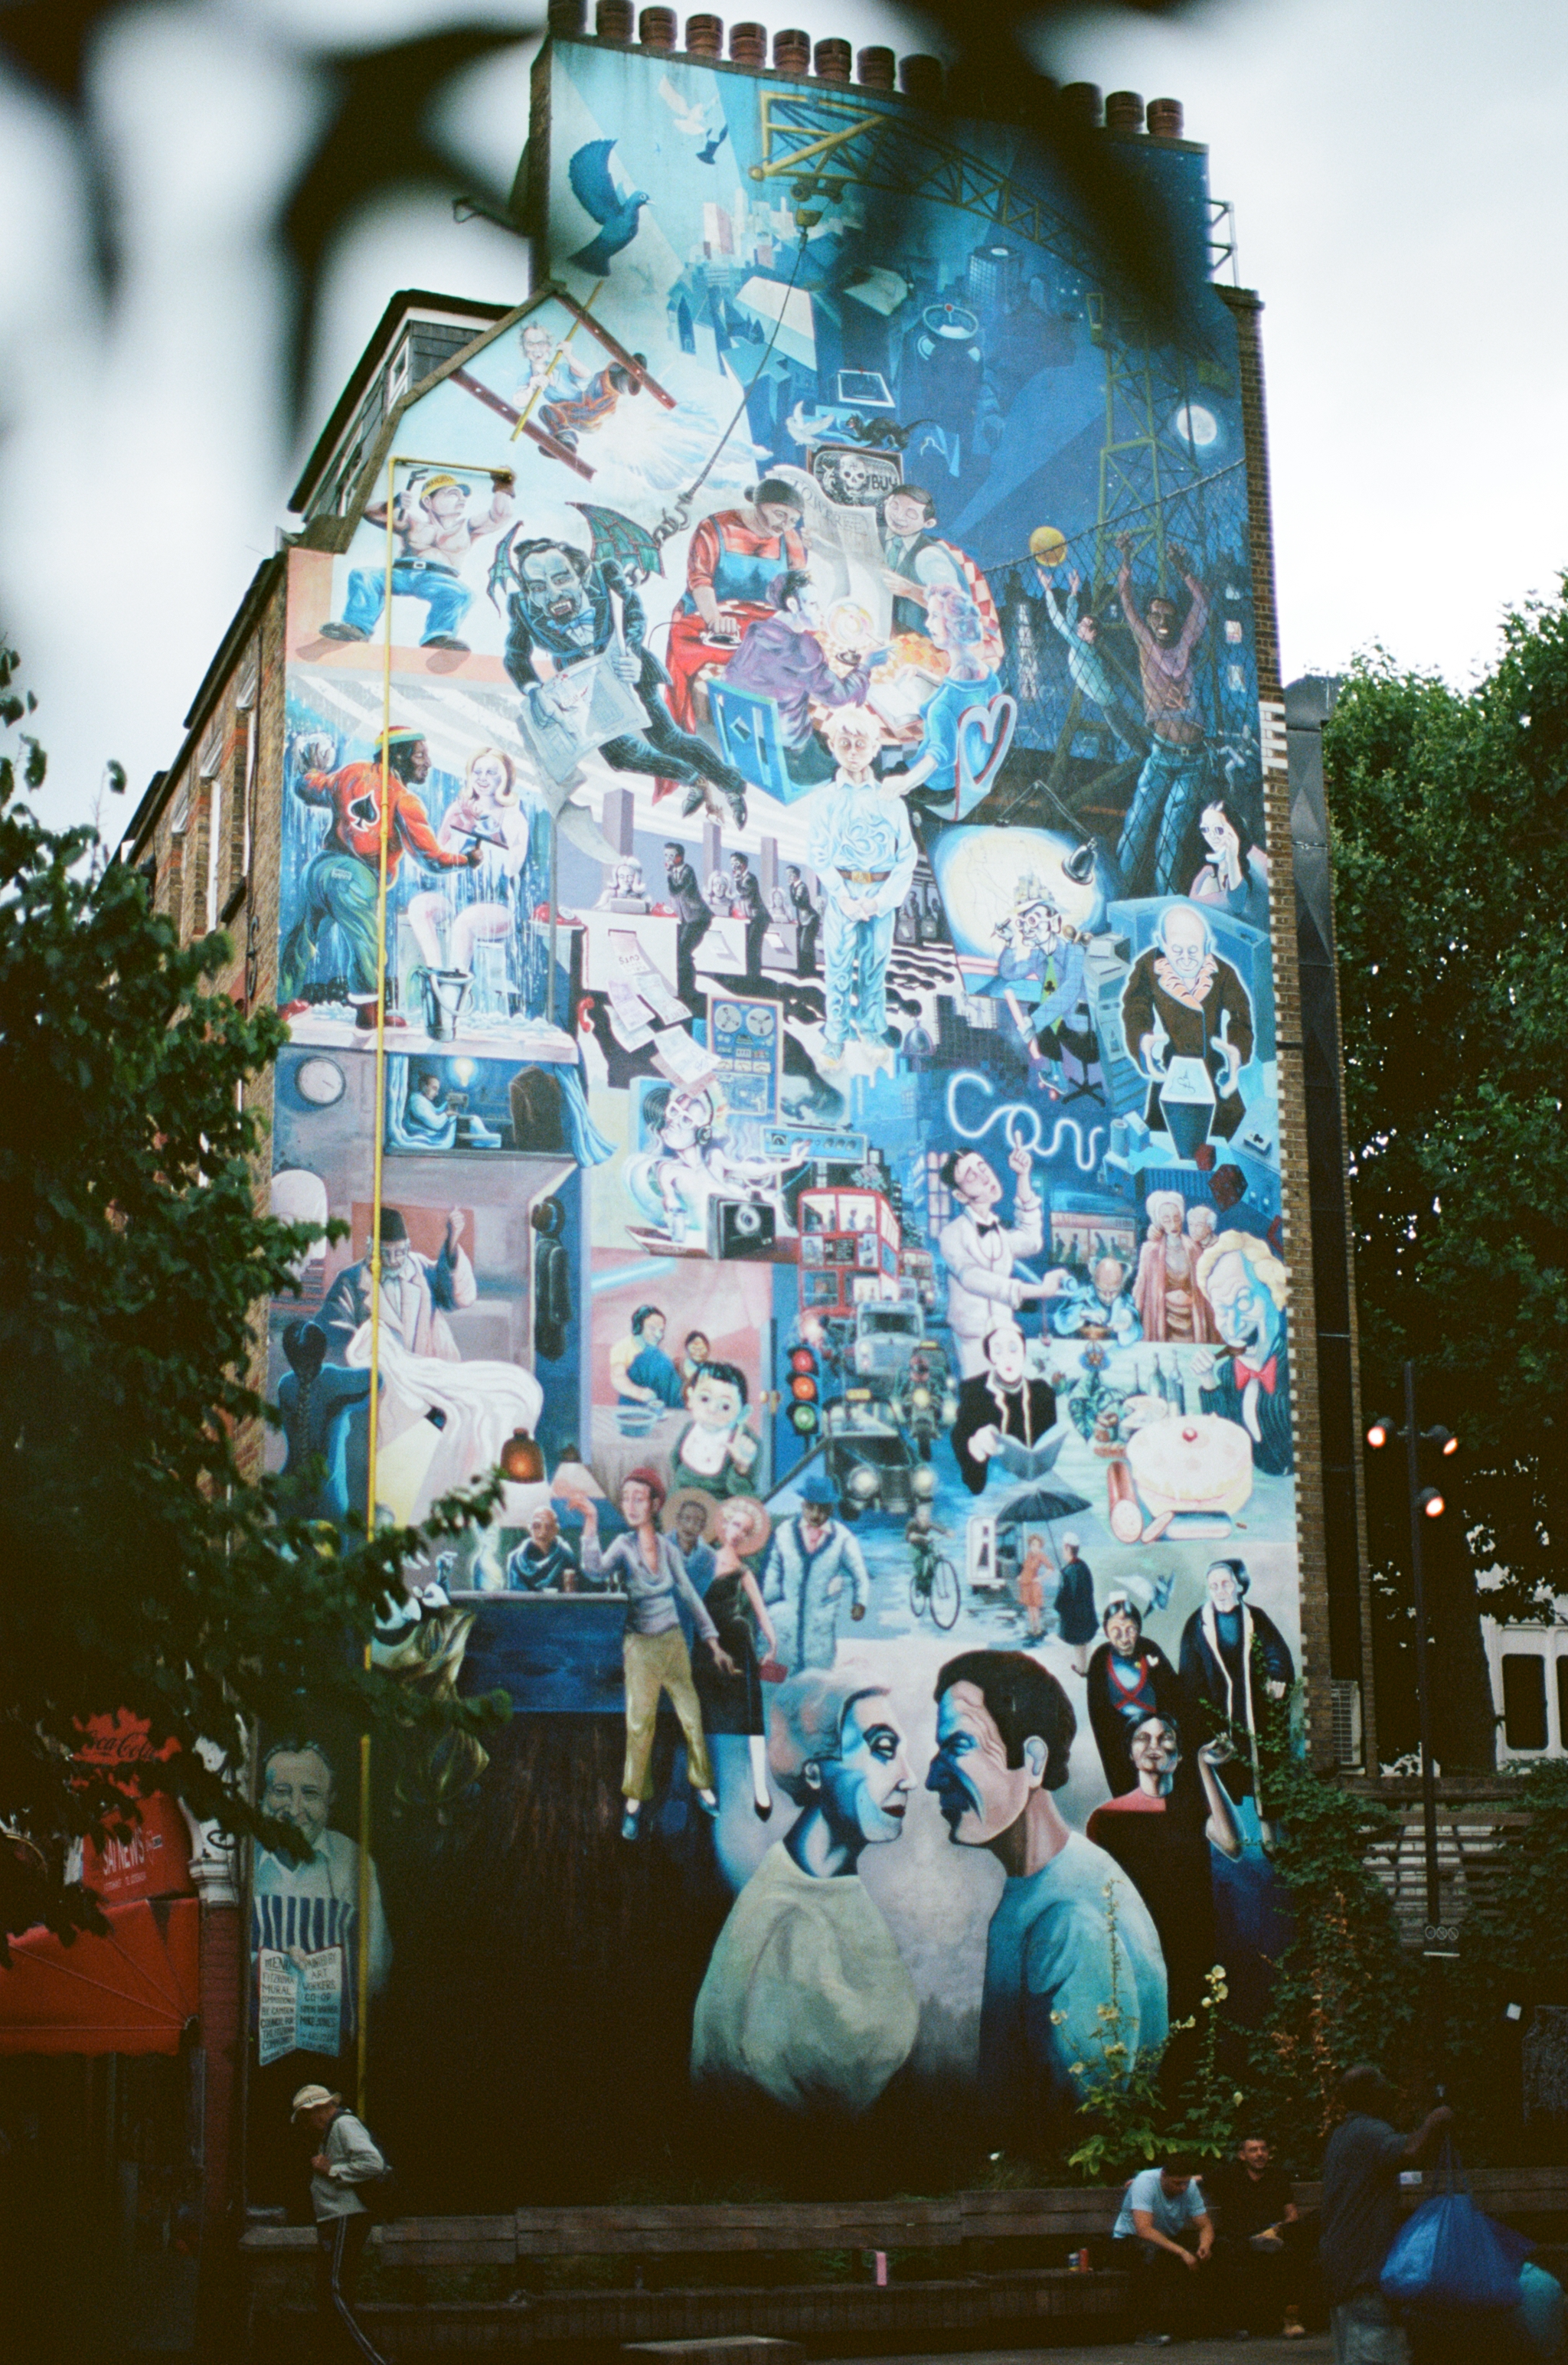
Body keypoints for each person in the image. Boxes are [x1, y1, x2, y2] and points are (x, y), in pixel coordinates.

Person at [926, 1650, 1168, 2138]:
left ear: (1032, 1761)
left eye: (957, 1746)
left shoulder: (1069, 1923)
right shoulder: (1041, 1887)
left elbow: (1087, 2125)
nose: (933, 1777)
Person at [691, 1669, 919, 2115]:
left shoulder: (836, 1890)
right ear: (814, 1772)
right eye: (883, 1751)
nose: (907, 1778)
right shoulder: (783, 1925)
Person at [495, 534, 749, 826]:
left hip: (630, 668)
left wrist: (632, 652)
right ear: (528, 591)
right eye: (538, 587)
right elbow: (515, 656)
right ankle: (694, 778)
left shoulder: (605, 574)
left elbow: (634, 612)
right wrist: (533, 689)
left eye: (562, 579)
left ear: (581, 575)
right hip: (584, 688)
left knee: (668, 739)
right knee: (620, 755)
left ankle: (731, 785)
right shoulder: (521, 606)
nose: (553, 594)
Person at [580, 1468, 737, 1839]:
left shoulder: (667, 1549)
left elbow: (689, 1594)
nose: (631, 1505)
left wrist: (712, 1640)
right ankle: (633, 1804)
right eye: (626, 1498)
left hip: (673, 1642)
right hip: (640, 1646)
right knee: (640, 1724)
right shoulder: (622, 1544)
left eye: (639, 1498)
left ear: (655, 1505)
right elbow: (593, 1570)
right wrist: (590, 1522)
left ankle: (703, 1787)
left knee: (691, 1716)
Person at [279, 728, 484, 1011]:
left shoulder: (350, 772)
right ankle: (368, 1014)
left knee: (300, 939)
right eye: (420, 755)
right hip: (353, 879)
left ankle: (281, 1003)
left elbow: (310, 789)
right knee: (367, 946)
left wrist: (309, 770)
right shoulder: (404, 800)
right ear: (398, 756)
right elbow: (431, 858)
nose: (429, 763)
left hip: (318, 869)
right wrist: (467, 860)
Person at [1086, 1709, 1243, 2020]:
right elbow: (1096, 1897)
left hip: (1192, 1948)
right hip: (1137, 1950)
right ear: (1130, 1753)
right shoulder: (1107, 1818)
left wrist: (1206, 1767)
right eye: (1142, 1738)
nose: (1153, 1745)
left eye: (1165, 1738)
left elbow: (1233, 1845)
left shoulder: (1193, 1808)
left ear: (1179, 1755)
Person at [253, 1743, 391, 2061]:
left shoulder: (353, 1862)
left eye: (310, 1794)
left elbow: (377, 1970)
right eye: (281, 1791)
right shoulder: (243, 1859)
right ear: (260, 1797)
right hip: (252, 2053)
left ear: (330, 1802)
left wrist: (320, 1982)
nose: (294, 1808)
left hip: (333, 2057)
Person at [805, 707, 917, 1067]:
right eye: (844, 743)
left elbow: (907, 857)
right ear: (833, 747)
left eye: (860, 744)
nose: (852, 751)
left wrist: (881, 902)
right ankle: (835, 1036)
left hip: (880, 897)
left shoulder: (891, 801)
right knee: (837, 966)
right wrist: (840, 895)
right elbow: (818, 853)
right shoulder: (825, 800)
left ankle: (870, 1031)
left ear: (874, 749)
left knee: (874, 967)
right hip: (842, 895)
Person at [1319, 2066, 1454, 2365]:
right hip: (1362, 2271)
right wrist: (1437, 2118)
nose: (1390, 2094)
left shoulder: (1342, 2135)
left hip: (1342, 2268)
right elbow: (1410, 2150)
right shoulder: (1370, 2132)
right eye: (1385, 2088)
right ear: (1373, 2095)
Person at [666, 479, 810, 729]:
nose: (784, 525)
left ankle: (779, 729)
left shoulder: (790, 538)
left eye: (792, 520)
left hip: (762, 621)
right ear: (758, 504)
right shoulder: (714, 527)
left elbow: (799, 585)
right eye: (779, 514)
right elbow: (700, 582)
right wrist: (715, 620)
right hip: (706, 614)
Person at [319, 467, 514, 652]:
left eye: (463, 495)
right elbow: (371, 513)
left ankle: (438, 638)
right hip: (402, 573)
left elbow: (499, 516)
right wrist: (393, 504)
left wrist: (502, 488)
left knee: (461, 593)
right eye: (453, 493)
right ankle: (357, 628)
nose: (462, 499)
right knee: (364, 575)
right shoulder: (412, 523)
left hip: (437, 579)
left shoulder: (467, 527)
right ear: (429, 502)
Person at [1115, 535, 1212, 895]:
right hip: (1161, 753)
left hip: (1193, 759)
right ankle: (1117, 895)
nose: (1161, 618)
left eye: (1167, 612)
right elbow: (1126, 602)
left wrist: (1184, 570)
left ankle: (1167, 905)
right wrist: (1126, 557)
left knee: (1171, 834)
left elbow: (1202, 602)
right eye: (1154, 613)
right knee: (1138, 823)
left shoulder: (1185, 642)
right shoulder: (1145, 641)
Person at [722, 568, 874, 789]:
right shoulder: (804, 648)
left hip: (744, 744)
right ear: (793, 605)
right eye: (813, 605)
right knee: (866, 757)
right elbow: (841, 698)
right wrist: (866, 666)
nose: (821, 613)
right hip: (792, 762)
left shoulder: (755, 632)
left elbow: (730, 678)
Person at [1119, 902, 1254, 1147]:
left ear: (1206, 946)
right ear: (1162, 943)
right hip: (1172, 1072)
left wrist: (1236, 1051)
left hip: (1214, 1072)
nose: (1185, 959)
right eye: (1177, 950)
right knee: (1166, 1143)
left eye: (1193, 951)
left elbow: (1240, 1016)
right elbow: (1135, 1009)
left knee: (1230, 1144)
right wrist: (1142, 1040)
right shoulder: (1148, 968)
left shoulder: (1223, 973)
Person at [936, 1142, 1070, 1378]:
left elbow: (1031, 1241)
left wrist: (1023, 1177)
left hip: (1005, 1335)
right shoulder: (951, 1234)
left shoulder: (999, 1233)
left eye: (982, 1167)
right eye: (971, 1176)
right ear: (960, 1195)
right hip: (973, 1340)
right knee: (982, 1402)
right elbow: (973, 1279)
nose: (984, 1176)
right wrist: (1039, 1290)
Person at [291, 2082, 392, 2364]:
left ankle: (377, 2360)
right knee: (332, 2293)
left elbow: (373, 2163)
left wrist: (332, 2169)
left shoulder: (344, 2124)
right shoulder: (332, 2130)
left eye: (307, 2116)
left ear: (320, 2110)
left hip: (345, 2216)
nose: (307, 2124)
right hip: (336, 2218)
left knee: (334, 2291)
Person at [691, 1494, 779, 1817]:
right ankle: (704, 1787)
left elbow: (761, 1611)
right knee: (699, 1712)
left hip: (736, 1640)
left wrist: (772, 1645)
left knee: (750, 1714)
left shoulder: (743, 1571)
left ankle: (760, 1785)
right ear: (724, 1524)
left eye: (744, 1529)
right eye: (734, 1524)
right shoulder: (701, 1561)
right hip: (704, 1643)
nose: (737, 1532)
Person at [1178, 1559, 1295, 1791]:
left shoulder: (1256, 1619)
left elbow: (1276, 1653)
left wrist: (1276, 1676)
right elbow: (1190, 1677)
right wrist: (1204, 1720)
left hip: (1253, 1706)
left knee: (1260, 1770)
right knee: (1224, 1776)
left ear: (1239, 1586)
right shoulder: (1197, 1624)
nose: (1220, 1592)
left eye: (1226, 1585)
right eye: (1214, 1586)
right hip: (1216, 1710)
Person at [319, 1207, 475, 1367]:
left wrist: (451, 1243)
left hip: (427, 1373)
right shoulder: (350, 1280)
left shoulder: (421, 1269)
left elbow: (456, 1298)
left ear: (408, 1247)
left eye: (399, 1252)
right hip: (378, 1378)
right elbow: (331, 1331)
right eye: (384, 1253)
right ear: (371, 1248)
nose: (393, 1260)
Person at [1192, 1231, 1294, 1476]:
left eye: (1244, 1301)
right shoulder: (1228, 1373)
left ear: (1274, 1294)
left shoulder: (1294, 1372)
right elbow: (1223, 1440)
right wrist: (1208, 1381)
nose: (1233, 1324)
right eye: (1221, 1309)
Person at [763, 1472, 871, 1672]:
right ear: (803, 1504)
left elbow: (859, 1574)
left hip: (820, 1619)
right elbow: (774, 1566)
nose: (815, 1514)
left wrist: (860, 1602)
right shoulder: (785, 1532)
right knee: (778, 1674)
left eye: (822, 1509)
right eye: (811, 1507)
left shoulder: (843, 1538)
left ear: (831, 1508)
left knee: (817, 1678)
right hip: (785, 1617)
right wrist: (771, 1601)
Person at [1207, 2132, 1307, 2339]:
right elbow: (1189, 2179)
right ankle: (1231, 2325)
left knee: (1292, 2251)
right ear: (1242, 2155)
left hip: (1272, 2237)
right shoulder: (1228, 2176)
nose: (1260, 2154)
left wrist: (1278, 2229)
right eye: (1254, 2150)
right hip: (1240, 2241)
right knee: (1226, 2254)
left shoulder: (1278, 2178)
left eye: (1263, 2149)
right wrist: (1146, 2180)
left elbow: (1292, 2215)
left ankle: (1291, 2319)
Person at [1086, 1594, 1184, 1796]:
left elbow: (1174, 1693)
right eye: (1116, 1631)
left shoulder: (1150, 1650)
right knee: (1128, 1786)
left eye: (1130, 1630)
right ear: (1106, 1632)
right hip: (1119, 1731)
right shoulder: (1100, 1660)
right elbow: (1099, 1710)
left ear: (1138, 1630)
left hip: (1155, 1727)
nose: (1123, 1638)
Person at [1112, 2156, 1216, 2345]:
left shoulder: (1189, 2185)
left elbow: (1205, 2226)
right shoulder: (1145, 2182)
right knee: (1150, 2255)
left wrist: (1204, 2246)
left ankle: (1214, 2325)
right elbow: (1144, 2229)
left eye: (1186, 2183)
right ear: (1164, 2176)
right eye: (1177, 2184)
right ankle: (1144, 2331)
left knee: (1217, 2251)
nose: (1183, 2188)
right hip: (1129, 2240)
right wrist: (1183, 2252)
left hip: (1165, 2242)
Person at [949, 1320, 1057, 1495]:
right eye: (998, 1351)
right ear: (991, 1356)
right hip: (994, 1496)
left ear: (1024, 1351)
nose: (1007, 1358)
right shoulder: (974, 1394)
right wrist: (976, 1447)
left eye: (1013, 1349)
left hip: (1036, 1492)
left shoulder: (1042, 1393)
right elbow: (972, 1484)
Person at [1133, 1191, 1219, 1344]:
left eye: (1177, 1218)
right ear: (1159, 1222)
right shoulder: (1150, 1250)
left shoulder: (1193, 1248)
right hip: (1162, 1321)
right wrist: (1132, 1321)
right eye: (1166, 1219)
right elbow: (1140, 1289)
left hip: (1192, 1323)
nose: (1173, 1224)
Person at [671, 1361, 762, 1498]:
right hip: (679, 1505)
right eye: (705, 1399)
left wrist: (741, 1468)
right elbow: (675, 1461)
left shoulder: (747, 1443)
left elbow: (745, 1496)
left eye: (725, 1406)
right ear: (690, 1397)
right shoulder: (689, 1428)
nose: (712, 1410)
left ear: (743, 1413)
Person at [1190, 794, 1272, 931]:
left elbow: (1237, 904)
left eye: (1219, 830)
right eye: (1205, 830)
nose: (1211, 836)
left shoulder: (1255, 865)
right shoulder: (1206, 873)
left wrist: (1232, 856)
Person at [609, 1305, 685, 1418]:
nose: (658, 1335)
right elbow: (618, 1377)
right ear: (639, 1326)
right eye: (652, 1328)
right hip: (634, 1404)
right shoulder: (622, 1347)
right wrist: (639, 1393)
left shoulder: (657, 1354)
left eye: (661, 1330)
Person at [1048, 1253, 1142, 1346]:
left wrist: (1127, 1322)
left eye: (1113, 1292)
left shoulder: (1126, 1300)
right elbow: (1060, 1324)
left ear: (1121, 1285)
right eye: (1102, 1291)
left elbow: (1138, 1331)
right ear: (1095, 1282)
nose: (1108, 1296)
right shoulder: (1084, 1294)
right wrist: (1082, 1314)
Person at [664, 840, 711, 1005]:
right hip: (685, 919)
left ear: (680, 856)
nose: (668, 859)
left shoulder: (687, 871)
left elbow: (677, 889)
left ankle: (688, 991)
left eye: (671, 856)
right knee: (680, 952)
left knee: (683, 951)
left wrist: (669, 875)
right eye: (666, 855)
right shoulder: (675, 871)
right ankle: (684, 988)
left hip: (698, 917)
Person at [505, 1502, 580, 1592]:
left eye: (548, 1527)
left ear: (556, 1530)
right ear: (530, 1528)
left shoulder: (566, 1556)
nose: (542, 1533)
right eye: (537, 1526)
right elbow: (515, 1596)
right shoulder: (515, 1559)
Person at [1055, 1532, 1097, 1675]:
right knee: (1087, 1641)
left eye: (1063, 1548)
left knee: (1079, 1644)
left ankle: (1081, 1669)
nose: (1062, 1551)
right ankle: (1088, 1667)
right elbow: (1090, 1590)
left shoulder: (1068, 1571)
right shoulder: (1083, 1566)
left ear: (1067, 1548)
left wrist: (1058, 1606)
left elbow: (1064, 1597)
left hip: (1076, 1616)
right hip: (1087, 1613)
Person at [727, 851, 770, 986]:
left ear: (744, 864)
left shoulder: (750, 878)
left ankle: (754, 979)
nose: (734, 867)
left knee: (753, 948)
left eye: (737, 864)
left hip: (759, 918)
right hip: (752, 918)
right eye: (732, 864)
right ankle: (751, 976)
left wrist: (737, 879)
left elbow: (743, 891)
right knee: (749, 947)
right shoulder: (742, 878)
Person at [1016, 1532, 1051, 1639]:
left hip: (1034, 1585)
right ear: (1030, 1546)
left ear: (1040, 1546)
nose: (1035, 1547)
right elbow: (1026, 1569)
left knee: (1035, 1608)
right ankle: (1032, 1629)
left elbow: (1050, 1568)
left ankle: (1039, 1629)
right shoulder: (1029, 1555)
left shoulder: (1041, 1556)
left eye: (1037, 1545)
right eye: (1033, 1545)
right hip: (1025, 1584)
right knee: (1029, 1608)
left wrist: (1040, 1578)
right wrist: (1020, 1577)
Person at [787, 864, 820, 978]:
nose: (789, 877)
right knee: (802, 946)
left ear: (796, 875)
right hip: (803, 920)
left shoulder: (801, 887)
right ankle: (806, 971)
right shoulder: (795, 887)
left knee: (805, 946)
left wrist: (791, 890)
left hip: (810, 920)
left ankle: (809, 972)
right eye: (788, 875)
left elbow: (797, 902)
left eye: (790, 874)